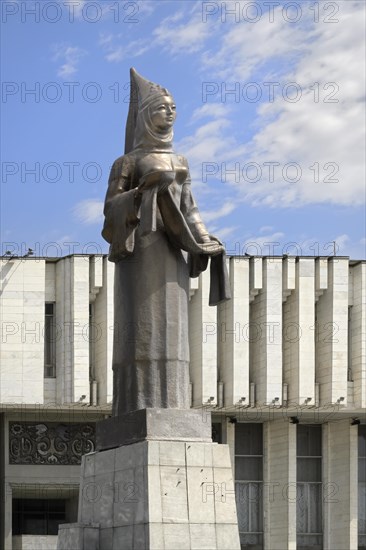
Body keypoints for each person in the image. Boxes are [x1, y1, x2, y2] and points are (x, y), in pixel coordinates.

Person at [102, 68, 230, 416]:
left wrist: (204, 241)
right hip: (140, 252)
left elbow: (190, 208)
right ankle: (133, 408)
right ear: (145, 116)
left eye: (173, 107)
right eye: (161, 107)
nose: (170, 112)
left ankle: (172, 407)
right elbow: (110, 207)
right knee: (142, 326)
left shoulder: (180, 161)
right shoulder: (127, 161)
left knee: (173, 330)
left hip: (173, 253)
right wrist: (143, 192)